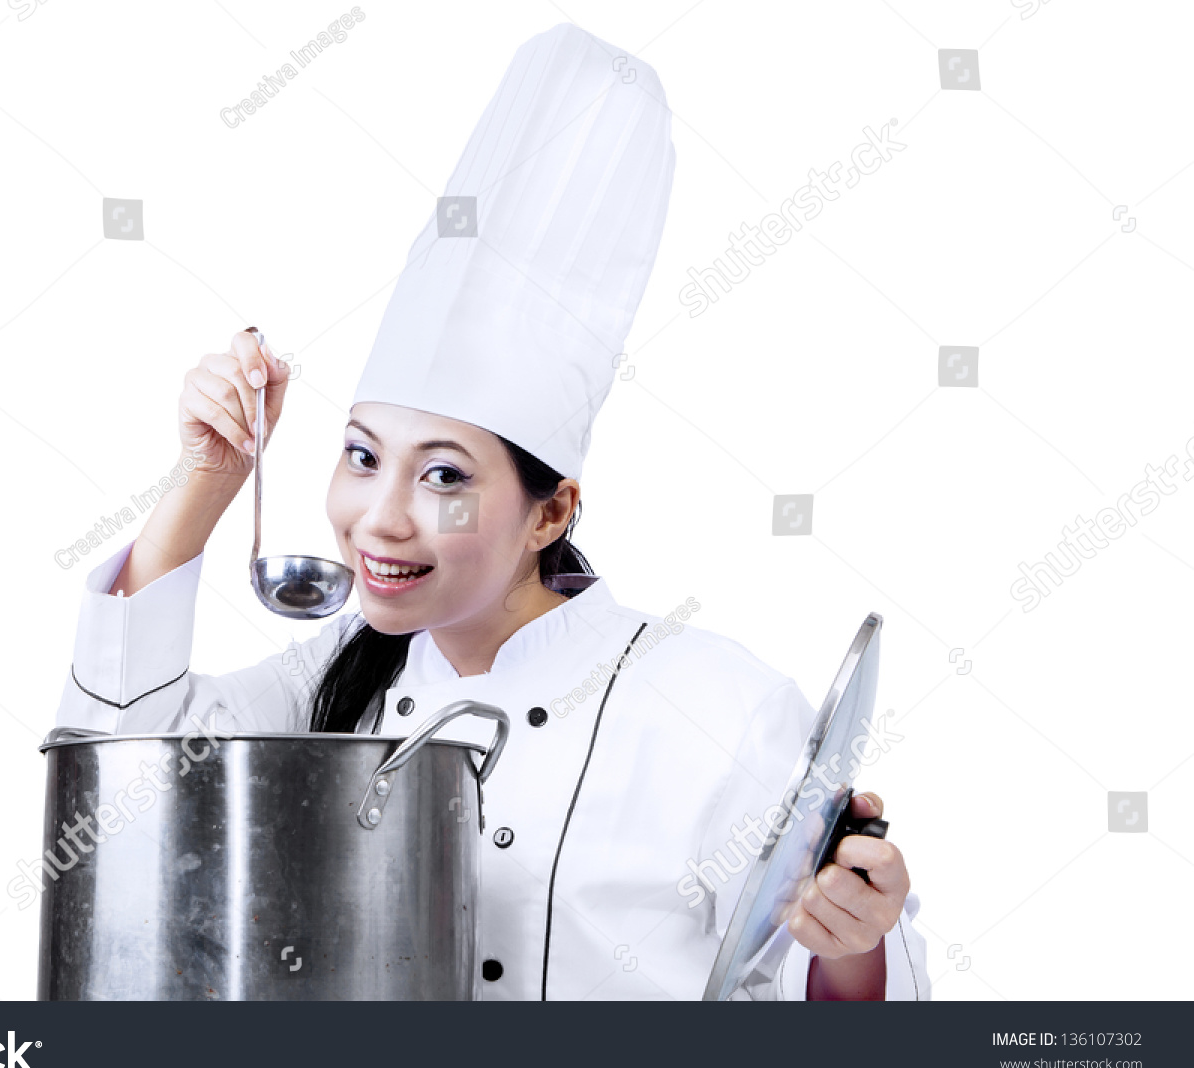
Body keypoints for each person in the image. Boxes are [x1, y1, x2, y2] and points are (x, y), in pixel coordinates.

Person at [55, 23, 928, 1000]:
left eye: (443, 477)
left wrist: (855, 938)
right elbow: (115, 781)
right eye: (362, 457)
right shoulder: (330, 682)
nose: (379, 519)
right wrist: (206, 482)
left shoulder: (722, 710)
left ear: (552, 510)